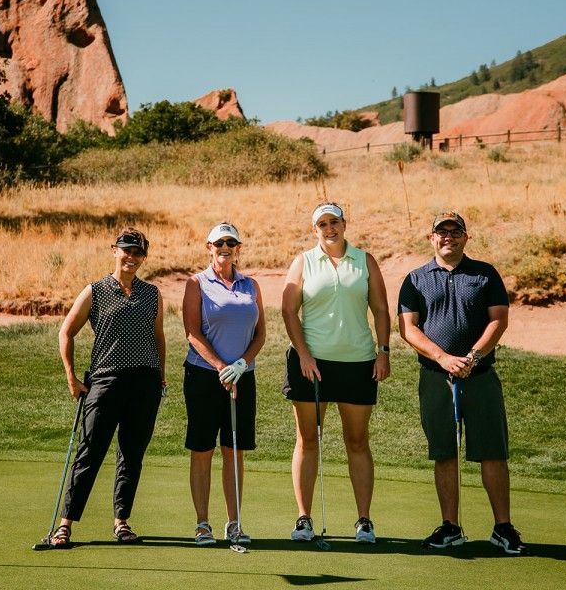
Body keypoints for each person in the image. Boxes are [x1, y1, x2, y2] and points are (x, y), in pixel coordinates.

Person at [397, 212, 529, 555]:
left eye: (455, 232)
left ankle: (503, 528)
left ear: (466, 238)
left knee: (493, 454)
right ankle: (450, 526)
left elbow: (498, 321)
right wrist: (443, 358)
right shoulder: (415, 279)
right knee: (444, 454)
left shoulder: (485, 274)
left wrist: (471, 357)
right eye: (442, 233)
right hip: (436, 378)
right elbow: (408, 328)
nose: (448, 238)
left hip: (480, 376)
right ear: (431, 238)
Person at [282, 201, 391, 544]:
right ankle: (303, 518)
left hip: (358, 363)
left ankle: (364, 520)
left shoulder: (365, 260)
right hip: (310, 365)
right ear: (315, 230)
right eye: (322, 224)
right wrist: (304, 354)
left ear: (345, 223)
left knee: (357, 441)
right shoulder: (303, 262)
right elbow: (288, 311)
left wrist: (383, 352)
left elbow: (381, 308)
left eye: (335, 222)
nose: (329, 228)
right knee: (308, 439)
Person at [49, 228, 166, 547]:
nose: (131, 256)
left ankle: (122, 522)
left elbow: (158, 337)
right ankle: (65, 524)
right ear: (114, 250)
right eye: (126, 250)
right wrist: (71, 377)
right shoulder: (96, 290)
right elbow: (66, 332)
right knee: (90, 451)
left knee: (132, 454)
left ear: (144, 257)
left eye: (138, 252)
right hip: (105, 380)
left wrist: (161, 376)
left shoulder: (152, 293)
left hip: (144, 382)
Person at [182, 222, 266, 546]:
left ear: (238, 248)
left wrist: (241, 365)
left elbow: (261, 334)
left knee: (234, 452)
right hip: (204, 376)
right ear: (209, 246)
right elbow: (192, 332)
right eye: (219, 242)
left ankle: (234, 523)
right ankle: (203, 524)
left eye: (231, 242)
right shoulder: (196, 283)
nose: (225, 247)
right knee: (203, 450)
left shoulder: (251, 285)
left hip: (243, 377)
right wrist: (221, 367)